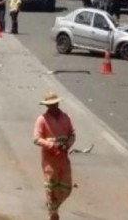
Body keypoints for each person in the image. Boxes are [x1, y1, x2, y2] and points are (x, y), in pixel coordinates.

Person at [33, 92, 76, 220]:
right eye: (50, 105)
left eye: (55, 104)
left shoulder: (66, 117)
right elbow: (36, 139)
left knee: (66, 188)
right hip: (49, 160)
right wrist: (52, 145)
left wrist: (67, 145)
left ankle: (53, 206)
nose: (53, 107)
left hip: (63, 158)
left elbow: (72, 134)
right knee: (51, 187)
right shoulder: (42, 119)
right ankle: (53, 214)